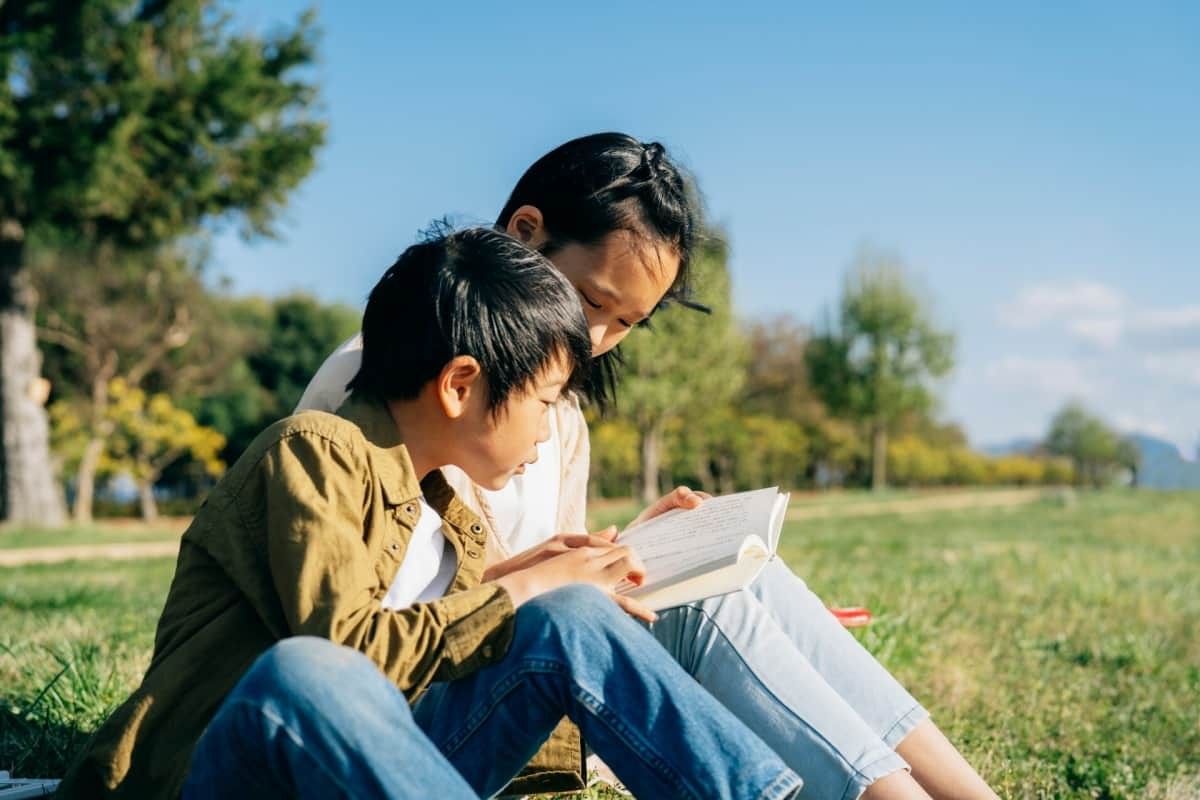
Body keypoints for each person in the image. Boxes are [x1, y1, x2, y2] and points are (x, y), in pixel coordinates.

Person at [300, 133, 999, 800]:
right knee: (705, 605)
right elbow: (379, 618)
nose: (594, 339)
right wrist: (570, 577)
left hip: (498, 658)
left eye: (628, 321)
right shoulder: (391, 385)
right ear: (525, 232)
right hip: (431, 702)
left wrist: (620, 549)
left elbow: (520, 574)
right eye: (594, 301)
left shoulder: (560, 416)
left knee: (744, 575)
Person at [57, 228, 802, 800]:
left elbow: (449, 634)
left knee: (569, 613)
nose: (548, 433)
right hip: (222, 773)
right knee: (307, 672)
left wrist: (551, 576)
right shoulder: (313, 451)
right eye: (544, 403)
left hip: (374, 768)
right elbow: (349, 650)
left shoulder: (445, 503)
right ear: (460, 384)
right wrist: (519, 590)